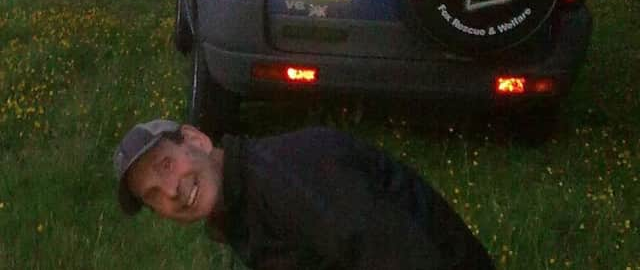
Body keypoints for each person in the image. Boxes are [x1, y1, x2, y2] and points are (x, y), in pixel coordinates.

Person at [113, 119, 495, 269]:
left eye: (166, 166)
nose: (171, 192)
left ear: (196, 139)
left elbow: (409, 260)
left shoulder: (289, 174)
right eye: (153, 196)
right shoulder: (240, 206)